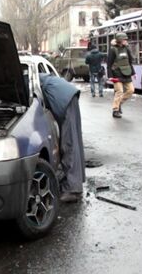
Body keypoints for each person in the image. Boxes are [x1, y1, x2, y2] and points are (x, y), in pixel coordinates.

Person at [39, 73, 85, 203]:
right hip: (67, 95)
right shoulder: (27, 74)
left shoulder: (23, 79)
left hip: (63, 98)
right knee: (74, 141)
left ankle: (73, 190)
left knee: (69, 144)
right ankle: (74, 182)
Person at [107, 32, 135, 118]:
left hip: (127, 73)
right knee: (119, 91)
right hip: (117, 74)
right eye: (124, 39)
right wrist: (110, 76)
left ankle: (119, 104)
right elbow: (109, 63)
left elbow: (130, 60)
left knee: (131, 90)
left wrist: (133, 72)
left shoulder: (126, 48)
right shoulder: (113, 49)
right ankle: (115, 110)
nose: (125, 41)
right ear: (119, 40)